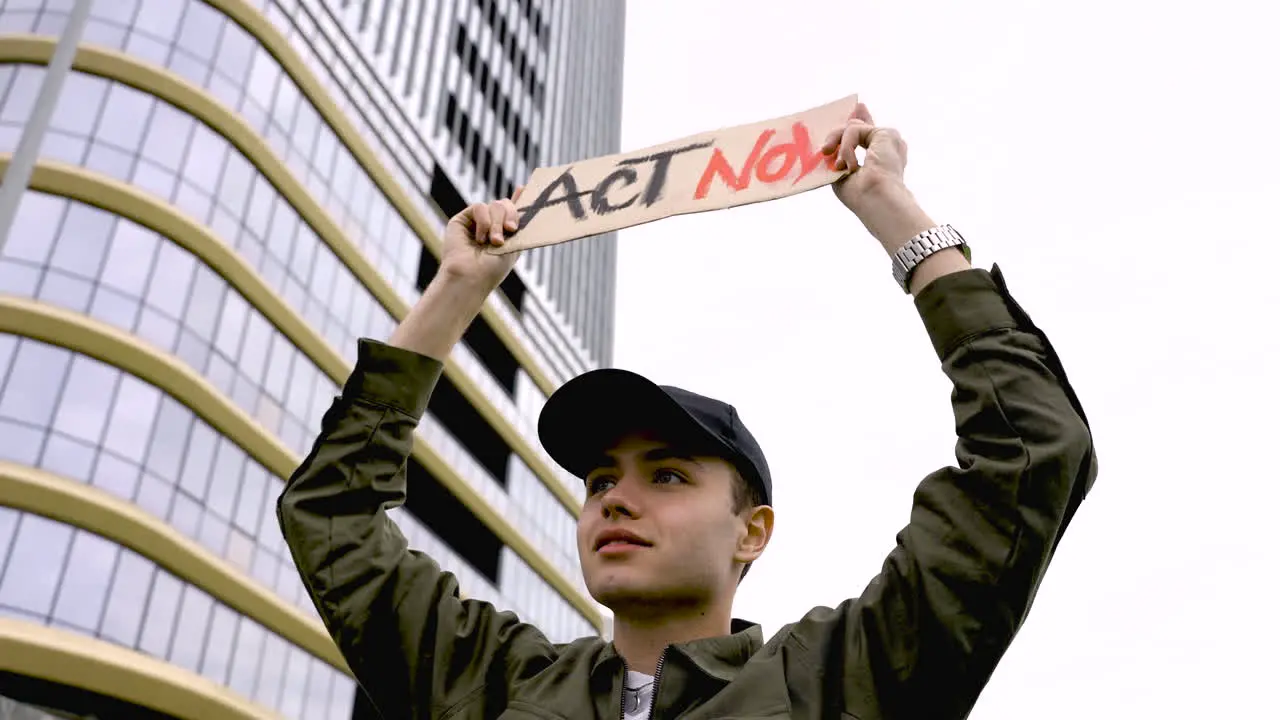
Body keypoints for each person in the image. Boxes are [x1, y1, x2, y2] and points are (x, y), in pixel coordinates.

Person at [278, 102, 1098, 719]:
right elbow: (331, 520)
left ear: (753, 532)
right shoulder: (494, 684)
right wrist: (457, 289)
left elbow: (1031, 454)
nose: (615, 499)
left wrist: (893, 211)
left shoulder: (841, 678)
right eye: (601, 480)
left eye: (666, 474)